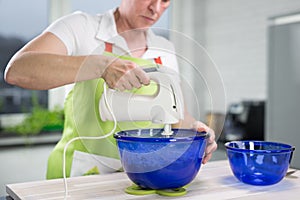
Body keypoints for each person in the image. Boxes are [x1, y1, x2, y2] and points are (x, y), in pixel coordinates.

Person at [4, 0, 217, 179]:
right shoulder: (82, 27)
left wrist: (195, 132)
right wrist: (100, 65)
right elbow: (18, 70)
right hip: (77, 177)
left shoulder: (165, 49)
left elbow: (177, 116)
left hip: (136, 179)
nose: (156, 8)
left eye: (165, 1)